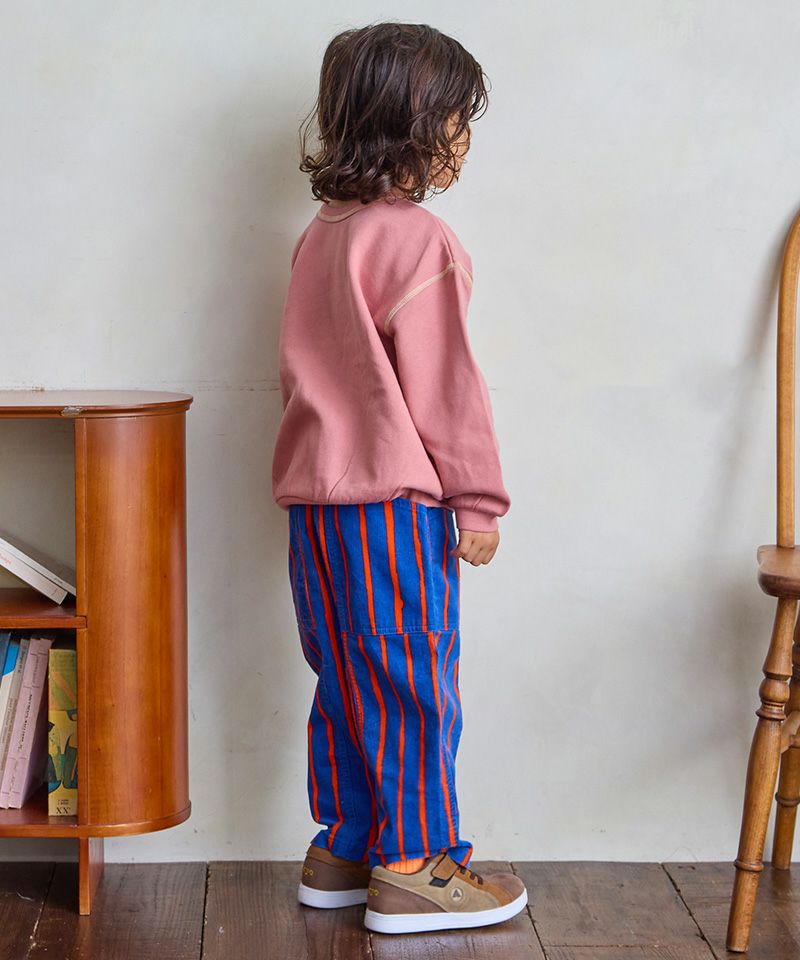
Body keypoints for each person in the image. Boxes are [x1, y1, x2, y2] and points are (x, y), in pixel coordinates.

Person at [271, 21, 526, 935]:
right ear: (411, 123)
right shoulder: (418, 240)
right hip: (390, 507)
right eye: (456, 116)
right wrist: (478, 500)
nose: (464, 135)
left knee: (346, 676)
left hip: (315, 506)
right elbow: (446, 385)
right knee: (412, 679)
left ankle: (346, 847)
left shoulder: (321, 235)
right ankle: (416, 864)